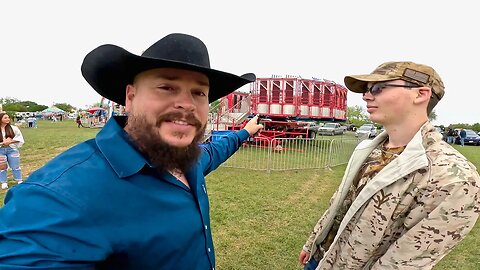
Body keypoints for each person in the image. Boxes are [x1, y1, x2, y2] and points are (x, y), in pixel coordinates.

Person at [0, 33, 262, 269]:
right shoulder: (60, 195)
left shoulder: (189, 163)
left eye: (199, 92)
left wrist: (245, 132)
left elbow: (215, 151)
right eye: (167, 87)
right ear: (130, 96)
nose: (187, 104)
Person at [299, 61, 480, 269]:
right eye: (367, 90)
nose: (366, 96)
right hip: (321, 259)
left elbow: (406, 261)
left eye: (377, 88)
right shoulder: (369, 148)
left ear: (420, 94)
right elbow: (341, 202)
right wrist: (314, 241)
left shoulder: (455, 178)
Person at [0, 112, 24, 190]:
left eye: (8, 118)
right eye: (5, 118)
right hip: (0, 150)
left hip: (12, 149)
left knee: (15, 166)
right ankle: (4, 182)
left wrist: (10, 141)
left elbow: (19, 139)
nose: (8, 119)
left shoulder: (13, 128)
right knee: (2, 167)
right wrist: (3, 142)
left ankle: (19, 180)